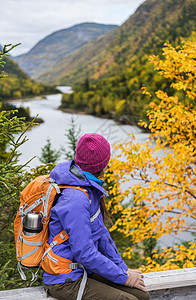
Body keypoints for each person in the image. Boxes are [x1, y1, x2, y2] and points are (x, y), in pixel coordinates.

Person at [43, 133, 150, 300]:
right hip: (65, 279)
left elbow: (102, 235)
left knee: (142, 296)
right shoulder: (75, 199)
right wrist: (124, 278)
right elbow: (84, 252)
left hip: (84, 269)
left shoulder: (88, 188)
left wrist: (123, 269)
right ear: (104, 164)